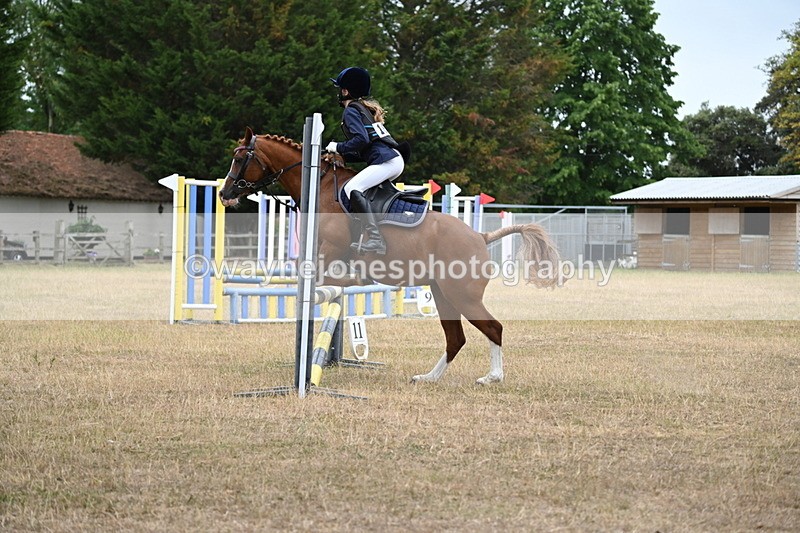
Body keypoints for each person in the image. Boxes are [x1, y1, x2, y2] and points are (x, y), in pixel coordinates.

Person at [325, 67, 404, 255]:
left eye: (340, 88)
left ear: (345, 91)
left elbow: (362, 140)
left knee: (352, 188)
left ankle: (376, 239)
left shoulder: (351, 110)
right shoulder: (362, 109)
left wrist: (338, 147)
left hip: (387, 161)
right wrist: (342, 155)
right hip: (391, 159)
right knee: (361, 189)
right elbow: (364, 149)